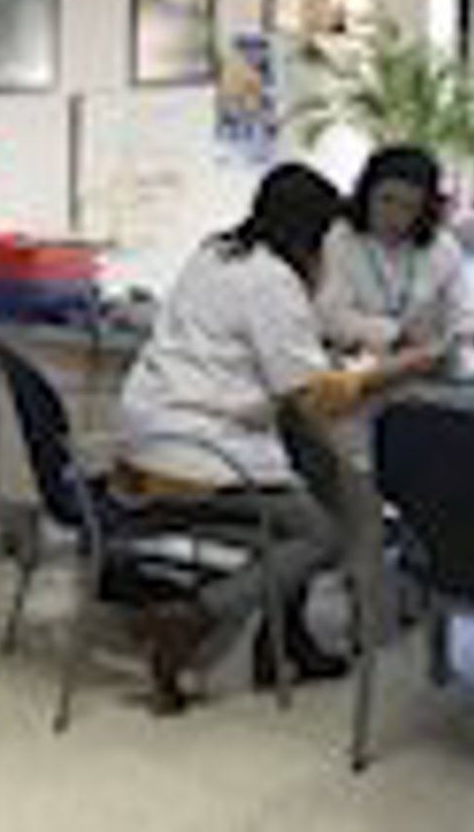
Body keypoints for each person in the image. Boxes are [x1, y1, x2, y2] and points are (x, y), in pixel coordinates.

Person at [116, 163, 438, 713]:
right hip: (199, 451)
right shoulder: (272, 281)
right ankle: (192, 617)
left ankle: (285, 644)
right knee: (321, 534)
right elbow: (313, 396)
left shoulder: (215, 252)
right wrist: (401, 368)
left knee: (313, 473)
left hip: (152, 432)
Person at [317, 145, 466, 360]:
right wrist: (393, 334)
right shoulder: (340, 240)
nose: (394, 216)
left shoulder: (443, 248)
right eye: (386, 200)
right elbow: (332, 317)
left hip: (426, 364)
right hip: (360, 367)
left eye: (409, 206)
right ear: (367, 193)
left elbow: (459, 318)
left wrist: (450, 339)